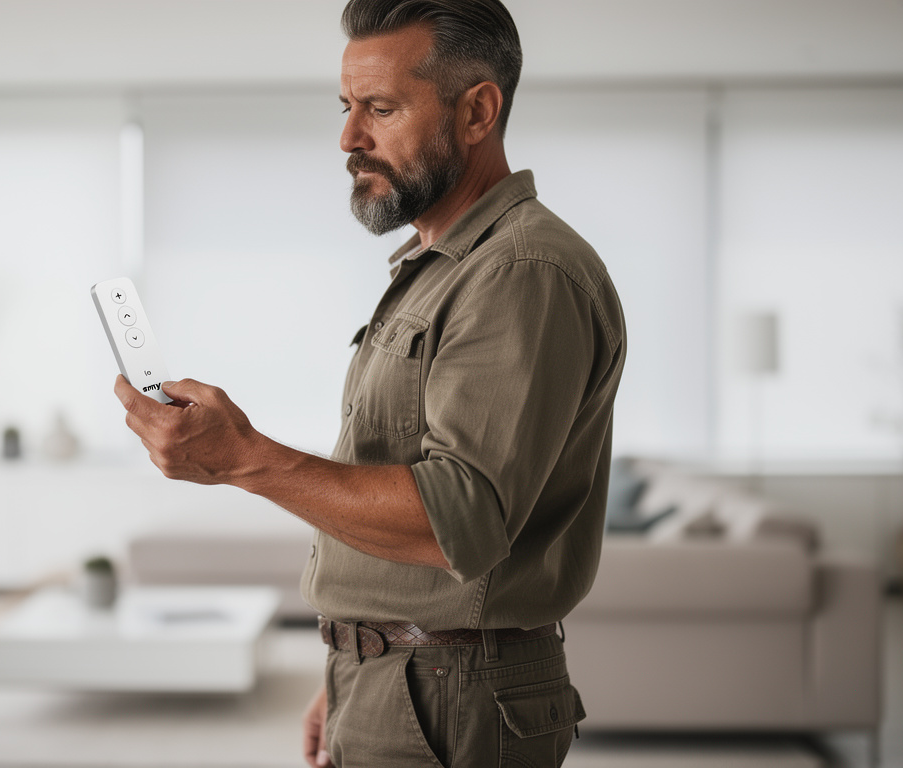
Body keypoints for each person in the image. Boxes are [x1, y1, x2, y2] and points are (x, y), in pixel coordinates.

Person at [113, 0, 625, 765]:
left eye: (381, 109)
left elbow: (461, 519)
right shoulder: (441, 270)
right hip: (405, 676)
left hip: (451, 692)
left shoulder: (521, 271)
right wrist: (358, 662)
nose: (349, 138)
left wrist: (245, 458)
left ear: (478, 110)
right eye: (348, 107)